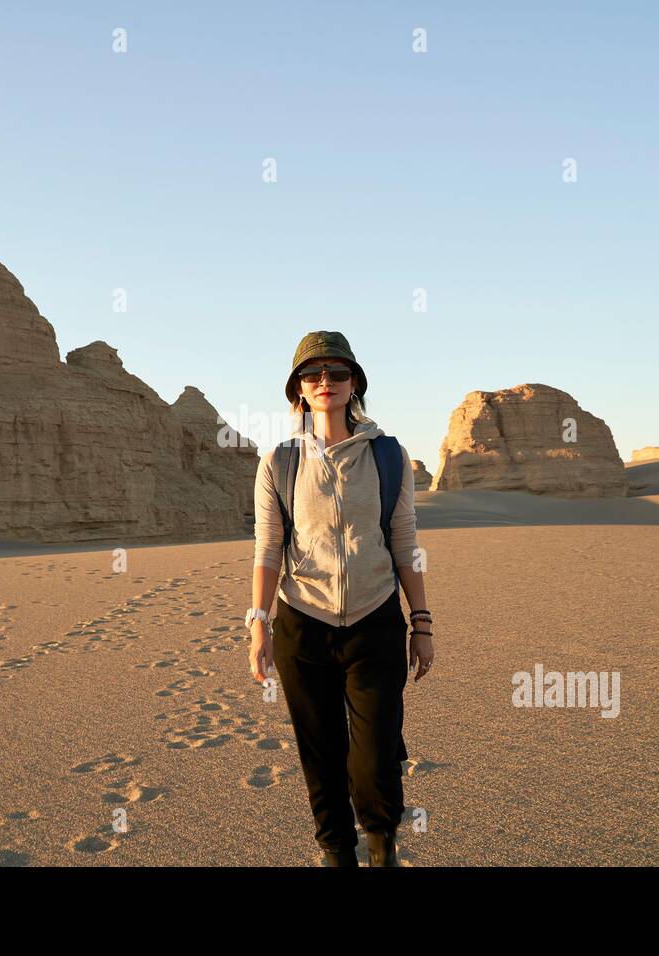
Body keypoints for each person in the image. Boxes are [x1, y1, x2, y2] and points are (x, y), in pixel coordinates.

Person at [245, 331, 435, 867]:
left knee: (375, 756)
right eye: (312, 374)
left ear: (355, 385)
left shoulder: (389, 455)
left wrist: (420, 622)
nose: (324, 381)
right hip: (302, 624)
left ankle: (381, 844)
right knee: (319, 751)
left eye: (337, 372)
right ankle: (335, 850)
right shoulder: (278, 462)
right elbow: (269, 547)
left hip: (375, 621)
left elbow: (404, 542)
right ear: (298, 391)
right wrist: (258, 622)